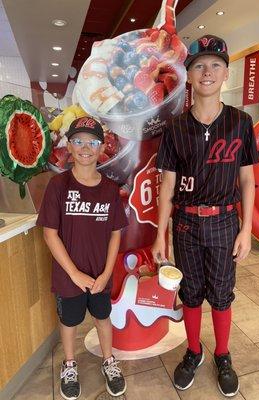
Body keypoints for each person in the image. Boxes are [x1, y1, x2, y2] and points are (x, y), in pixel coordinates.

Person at [152, 35, 259, 397]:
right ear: (190, 75)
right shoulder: (175, 127)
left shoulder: (241, 122)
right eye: (199, 65)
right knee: (192, 292)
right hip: (185, 223)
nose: (207, 72)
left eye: (215, 65)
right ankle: (194, 350)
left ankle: (223, 355)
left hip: (225, 222)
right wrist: (160, 234)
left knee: (222, 294)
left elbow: (247, 180)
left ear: (226, 73)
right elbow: (166, 186)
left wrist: (247, 230)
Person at [37, 116, 128, 399]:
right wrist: (75, 274)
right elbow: (50, 234)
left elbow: (116, 234)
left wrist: (106, 273)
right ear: (69, 145)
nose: (85, 148)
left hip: (100, 274)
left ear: (102, 148)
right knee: (69, 322)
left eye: (92, 142)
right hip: (68, 276)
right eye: (78, 141)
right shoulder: (58, 186)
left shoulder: (111, 190)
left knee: (103, 317)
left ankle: (109, 361)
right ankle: (69, 364)